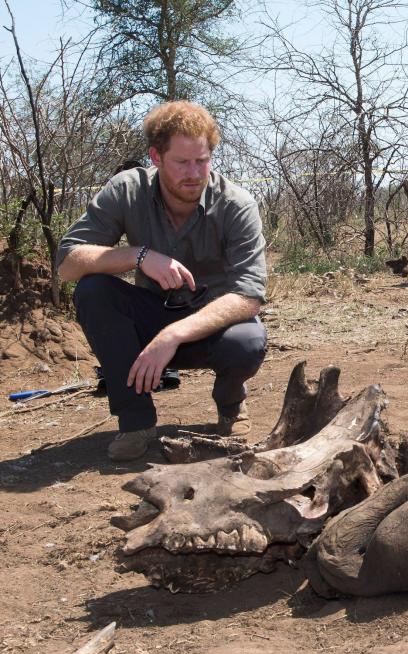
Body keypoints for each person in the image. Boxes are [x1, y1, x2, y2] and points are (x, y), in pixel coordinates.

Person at [57, 101, 267, 462]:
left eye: (202, 160)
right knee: (93, 291)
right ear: (155, 157)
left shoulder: (236, 204)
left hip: (209, 322)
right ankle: (135, 421)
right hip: (151, 313)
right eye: (182, 162)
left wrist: (171, 335)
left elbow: (249, 296)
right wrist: (137, 255)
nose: (194, 173)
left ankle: (231, 405)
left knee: (248, 339)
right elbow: (67, 263)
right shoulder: (126, 190)